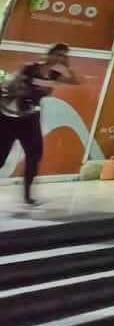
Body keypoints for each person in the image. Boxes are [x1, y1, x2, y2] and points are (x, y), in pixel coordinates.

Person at [0, 43, 81, 205]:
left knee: (34, 155)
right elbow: (14, 84)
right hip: (9, 117)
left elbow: (76, 81)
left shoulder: (53, 74)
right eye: (57, 54)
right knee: (1, 157)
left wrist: (67, 66)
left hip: (29, 118)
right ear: (50, 54)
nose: (59, 58)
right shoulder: (31, 68)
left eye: (62, 56)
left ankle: (28, 196)